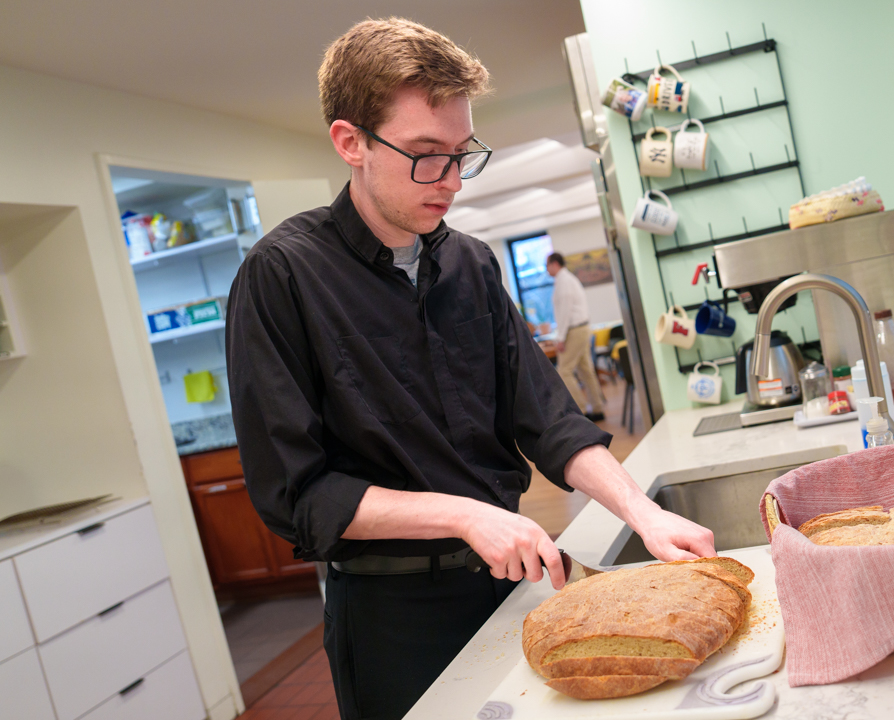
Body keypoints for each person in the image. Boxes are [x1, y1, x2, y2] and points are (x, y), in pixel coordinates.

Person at [224, 18, 714, 720]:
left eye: (462, 154)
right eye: (427, 155)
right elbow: (295, 494)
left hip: (511, 583)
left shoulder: (472, 264)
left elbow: (549, 420)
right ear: (350, 142)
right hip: (393, 615)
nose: (451, 182)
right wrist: (467, 516)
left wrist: (642, 512)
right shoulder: (282, 275)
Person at [546, 252, 608, 421]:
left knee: (564, 371)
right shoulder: (569, 279)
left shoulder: (564, 282)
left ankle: (582, 410)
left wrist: (561, 337)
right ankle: (597, 408)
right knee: (586, 370)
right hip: (581, 328)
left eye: (547, 265)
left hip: (573, 330)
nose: (546, 270)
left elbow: (565, 312)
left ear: (554, 264)